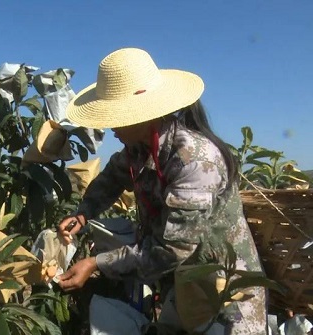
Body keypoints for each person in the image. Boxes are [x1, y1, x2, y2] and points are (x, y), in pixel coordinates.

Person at [56, 48, 267, 334]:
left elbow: (172, 250)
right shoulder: (139, 148)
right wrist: (83, 214)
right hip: (185, 284)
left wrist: (97, 263)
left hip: (227, 288)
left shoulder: (195, 161)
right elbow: (111, 178)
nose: (110, 126)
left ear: (139, 115)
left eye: (115, 116)